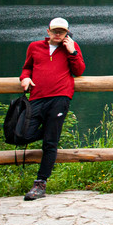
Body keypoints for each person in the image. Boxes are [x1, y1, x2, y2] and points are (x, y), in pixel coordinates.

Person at [19, 17, 85, 201]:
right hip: (37, 98)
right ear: (48, 31)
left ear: (67, 33)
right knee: (22, 134)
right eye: (55, 30)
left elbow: (79, 70)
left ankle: (40, 184)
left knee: (50, 143)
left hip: (60, 98)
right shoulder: (34, 47)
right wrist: (24, 78)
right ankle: (49, 131)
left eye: (61, 31)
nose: (58, 34)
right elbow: (27, 69)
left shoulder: (72, 47)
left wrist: (72, 51)